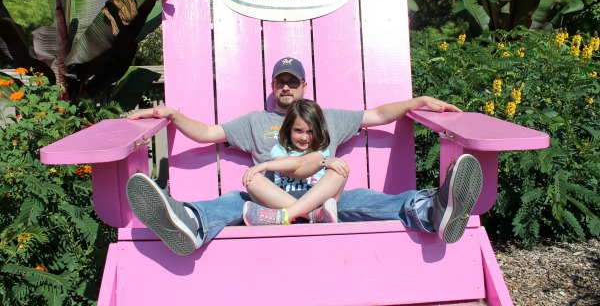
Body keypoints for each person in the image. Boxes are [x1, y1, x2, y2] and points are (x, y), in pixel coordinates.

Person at [126, 57, 483, 256]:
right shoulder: (255, 122)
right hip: (270, 200)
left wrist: (417, 101)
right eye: (279, 81)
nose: (285, 87)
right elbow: (206, 133)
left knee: (365, 198)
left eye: (292, 82)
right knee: (236, 198)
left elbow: (376, 115)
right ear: (272, 87)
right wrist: (171, 115)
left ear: (303, 87)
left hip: (324, 200)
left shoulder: (325, 116)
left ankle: (431, 210)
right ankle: (190, 221)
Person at [242, 99, 349, 226]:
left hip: (316, 199)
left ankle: (284, 215)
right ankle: (312, 215)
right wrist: (264, 165)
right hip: (283, 199)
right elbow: (290, 169)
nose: (304, 137)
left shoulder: (321, 149)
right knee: (252, 178)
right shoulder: (279, 149)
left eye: (310, 131)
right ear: (288, 129)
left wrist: (323, 162)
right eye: (298, 130)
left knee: (340, 170)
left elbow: (301, 163)